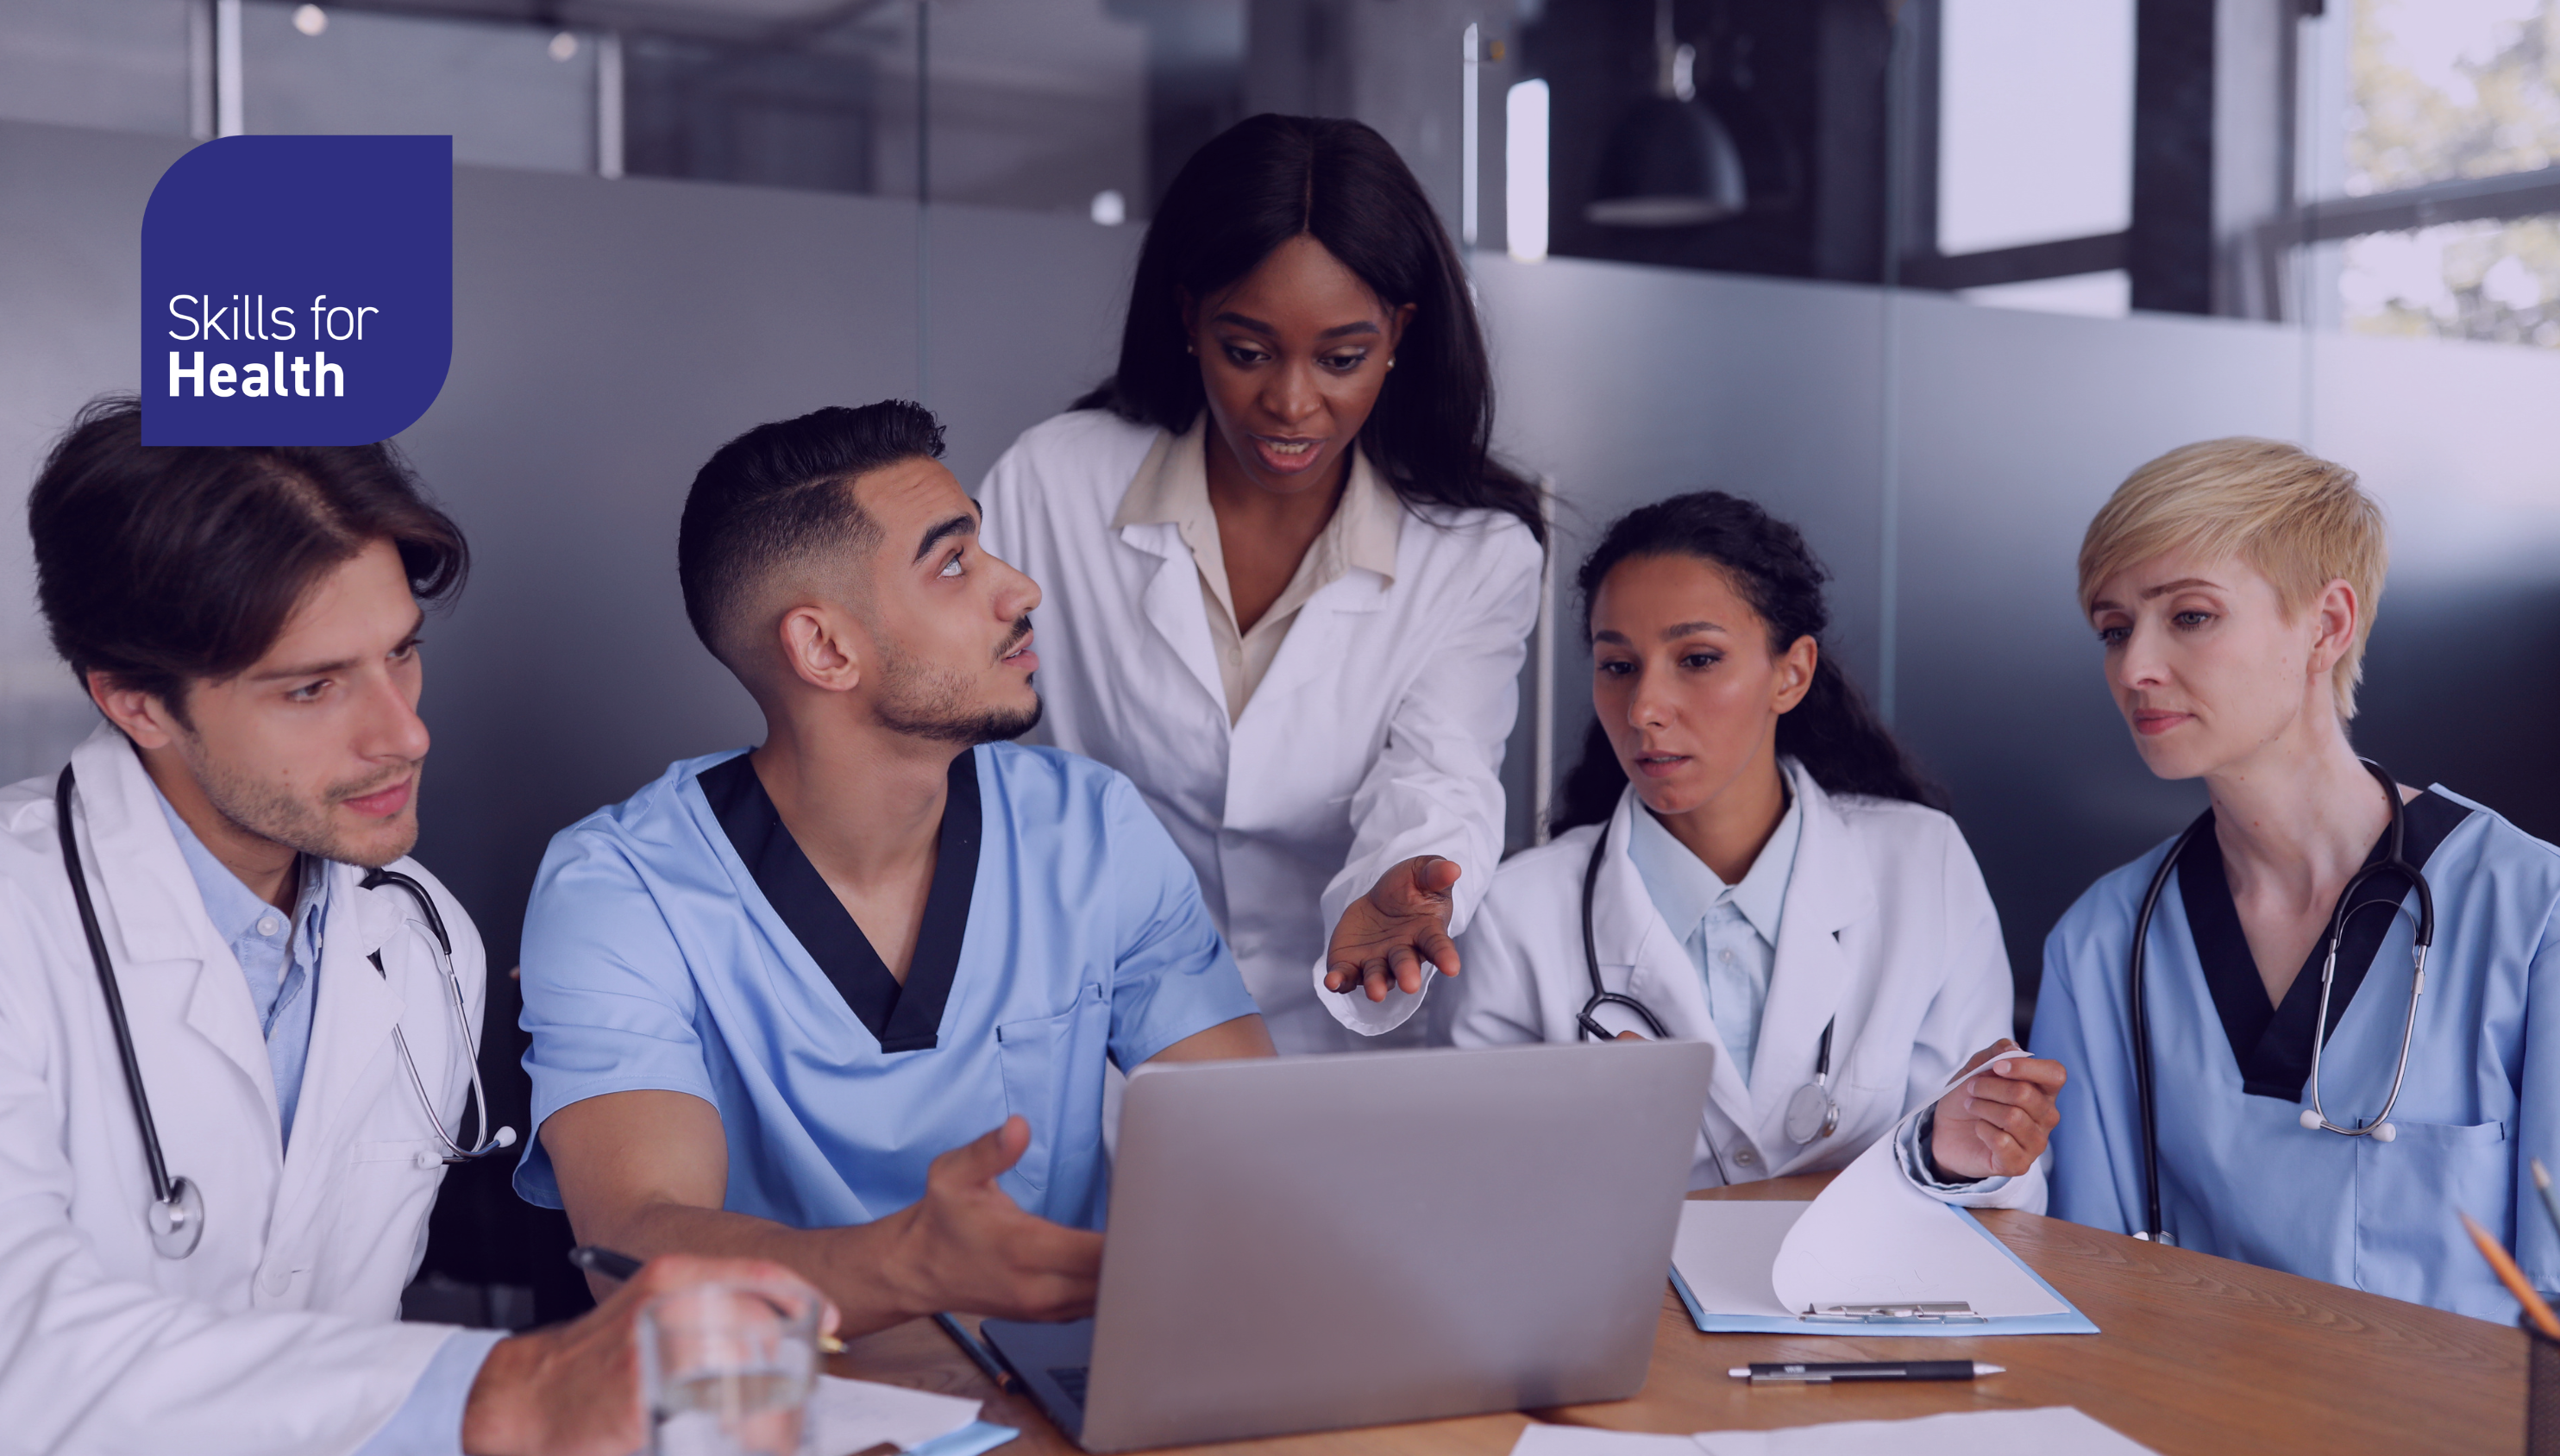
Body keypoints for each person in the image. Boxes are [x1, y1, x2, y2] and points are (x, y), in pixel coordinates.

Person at [0, 398, 818, 1455]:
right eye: (312, 687)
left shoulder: (422, 939)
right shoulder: (21, 923)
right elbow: (23, 1355)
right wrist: (512, 1389)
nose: (404, 731)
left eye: (401, 654)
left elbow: (345, 1341)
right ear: (135, 702)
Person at [515, 401, 1275, 1337]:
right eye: (953, 563)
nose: (1022, 587)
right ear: (826, 648)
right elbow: (635, 1250)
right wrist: (913, 1263)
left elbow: (1255, 1150)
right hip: (784, 1415)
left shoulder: (1092, 829)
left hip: (1077, 1411)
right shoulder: (619, 892)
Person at [977, 114, 1545, 1052]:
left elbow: (1441, 772)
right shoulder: (1056, 480)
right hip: (1099, 1028)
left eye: (1341, 358)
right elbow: (955, 720)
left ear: (1400, 333)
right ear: (1189, 314)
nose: (1290, 401)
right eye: (1247, 351)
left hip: (1338, 1038)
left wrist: (1403, 882)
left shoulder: (1476, 552)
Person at [2030, 438, 2560, 1321]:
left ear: (2327, 625)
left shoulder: (2546, 919)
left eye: (2191, 616)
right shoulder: (2103, 941)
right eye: (2113, 627)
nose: (2135, 667)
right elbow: (2083, 1276)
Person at [1446, 493, 2063, 1203]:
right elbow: (1474, 1206)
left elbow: (2001, 1190)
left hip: (1872, 1311)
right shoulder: (1517, 912)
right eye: (1619, 666)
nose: (1645, 708)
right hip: (1633, 1314)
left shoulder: (1923, 866)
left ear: (1791, 674)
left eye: (1698, 658)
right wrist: (1579, 1145)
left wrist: (1961, 1151)